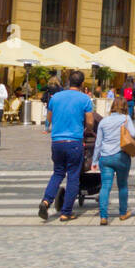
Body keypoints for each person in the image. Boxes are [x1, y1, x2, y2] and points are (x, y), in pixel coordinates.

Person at [38, 70, 93, 222]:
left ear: (69, 82)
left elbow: (49, 119)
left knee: (57, 173)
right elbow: (89, 122)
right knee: (73, 176)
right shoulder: (85, 99)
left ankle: (46, 201)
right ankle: (66, 212)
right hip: (74, 141)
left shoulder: (56, 97)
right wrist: (87, 130)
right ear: (82, 84)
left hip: (57, 141)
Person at [93, 98, 135, 225]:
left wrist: (95, 160)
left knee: (105, 186)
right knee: (122, 185)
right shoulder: (125, 119)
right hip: (121, 155)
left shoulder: (103, 121)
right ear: (125, 107)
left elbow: (98, 143)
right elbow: (134, 134)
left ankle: (103, 216)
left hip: (105, 157)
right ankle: (123, 213)